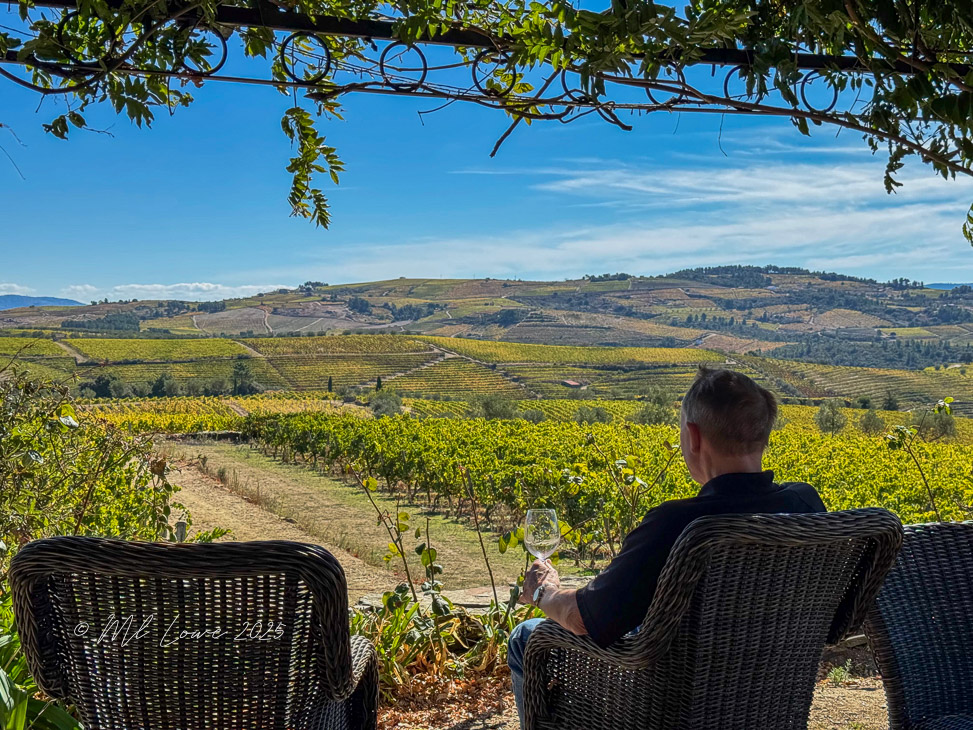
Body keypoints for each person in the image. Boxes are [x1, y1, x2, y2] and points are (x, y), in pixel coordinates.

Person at [506, 368, 826, 726]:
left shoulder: (678, 524)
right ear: (763, 434)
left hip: (669, 704)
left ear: (693, 436)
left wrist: (543, 593)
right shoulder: (805, 505)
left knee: (526, 636)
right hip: (770, 698)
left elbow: (583, 619)